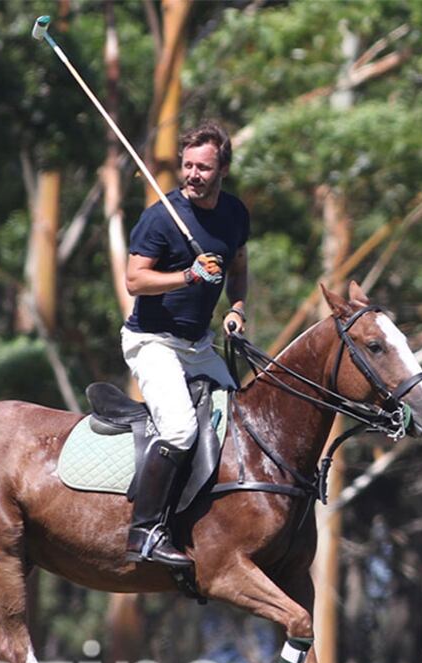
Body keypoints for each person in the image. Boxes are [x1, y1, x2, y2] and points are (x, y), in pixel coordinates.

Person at [121, 121, 249, 568]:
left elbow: (238, 265)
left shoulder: (234, 214)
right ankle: (145, 533)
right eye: (188, 166)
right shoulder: (161, 216)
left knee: (244, 423)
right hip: (152, 341)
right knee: (179, 429)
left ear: (223, 169)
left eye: (204, 168)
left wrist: (237, 307)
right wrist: (188, 276)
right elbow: (135, 280)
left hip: (199, 344)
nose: (193, 175)